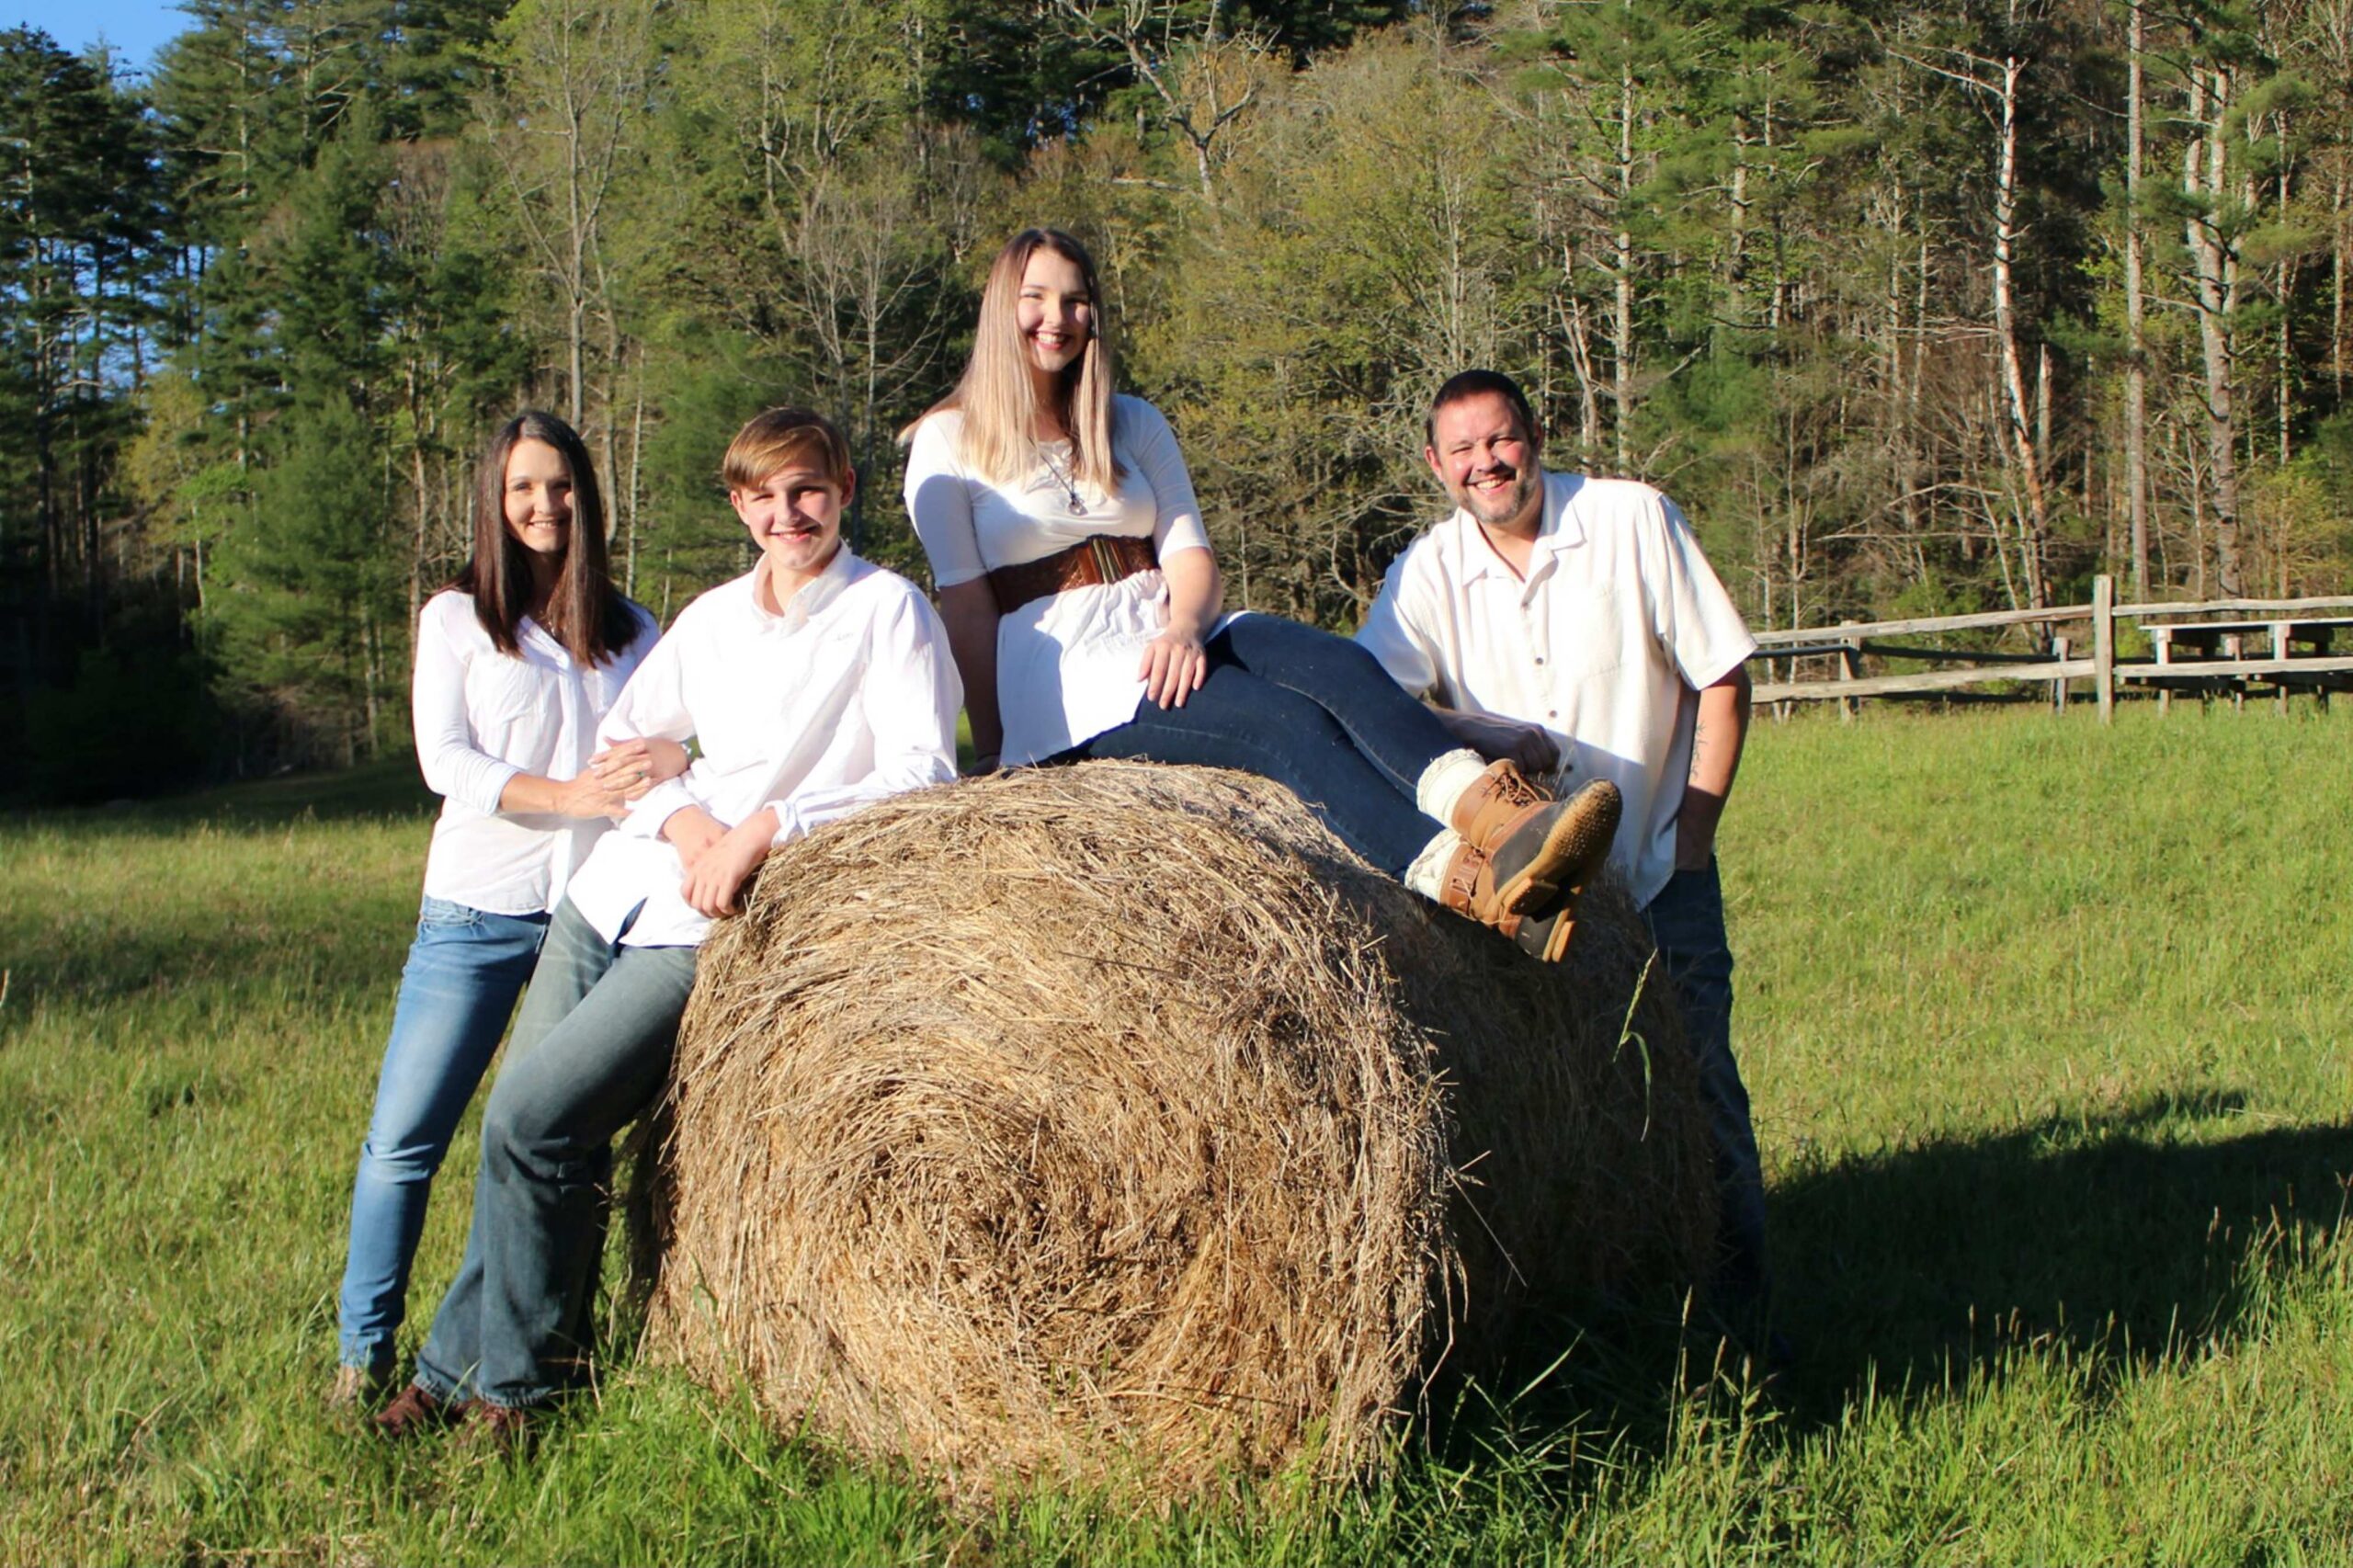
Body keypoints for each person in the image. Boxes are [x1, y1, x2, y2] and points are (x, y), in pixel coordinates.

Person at [372, 409, 962, 1443]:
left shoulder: (888, 611)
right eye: (764, 497)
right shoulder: (713, 618)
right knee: (520, 1129)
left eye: (807, 490)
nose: (788, 514)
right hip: (612, 891)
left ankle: (521, 1394)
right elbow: (625, 739)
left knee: (537, 1120)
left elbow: (923, 770)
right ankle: (454, 1366)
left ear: (845, 488)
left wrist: (768, 828)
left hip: (705, 924)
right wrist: (687, 815)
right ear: (738, 505)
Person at [903, 228, 1620, 960]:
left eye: (1075, 300)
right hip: (1071, 678)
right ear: (1002, 307)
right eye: (1036, 298)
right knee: (1285, 728)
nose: (1057, 318)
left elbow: (1189, 554)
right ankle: (1481, 888)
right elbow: (968, 605)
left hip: (1168, 623)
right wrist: (996, 749)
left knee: (1341, 667)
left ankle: (1508, 822)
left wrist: (1185, 626)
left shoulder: (1131, 421)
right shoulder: (949, 440)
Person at [1356, 369, 1773, 1336]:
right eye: (1463, 450)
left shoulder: (1631, 520)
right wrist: (1484, 729)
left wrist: (1692, 838)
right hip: (1530, 901)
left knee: (1700, 1089)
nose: (1486, 463)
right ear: (1435, 466)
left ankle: (1746, 1325)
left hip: (1659, 875)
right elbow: (1374, 701)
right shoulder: (1425, 573)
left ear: (1535, 435)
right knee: (1562, 1105)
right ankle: (1605, 1322)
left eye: (1500, 439)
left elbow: (1723, 677)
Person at [331, 411, 676, 1407]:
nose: (543, 504)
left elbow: (682, 743)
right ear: (495, 498)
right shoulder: (456, 618)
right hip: (476, 913)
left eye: (560, 485)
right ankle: (363, 1355)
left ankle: (526, 1355)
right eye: (523, 487)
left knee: (540, 1134)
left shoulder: (635, 630)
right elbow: (445, 760)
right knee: (405, 1141)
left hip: (591, 921)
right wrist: (567, 795)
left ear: (587, 497)